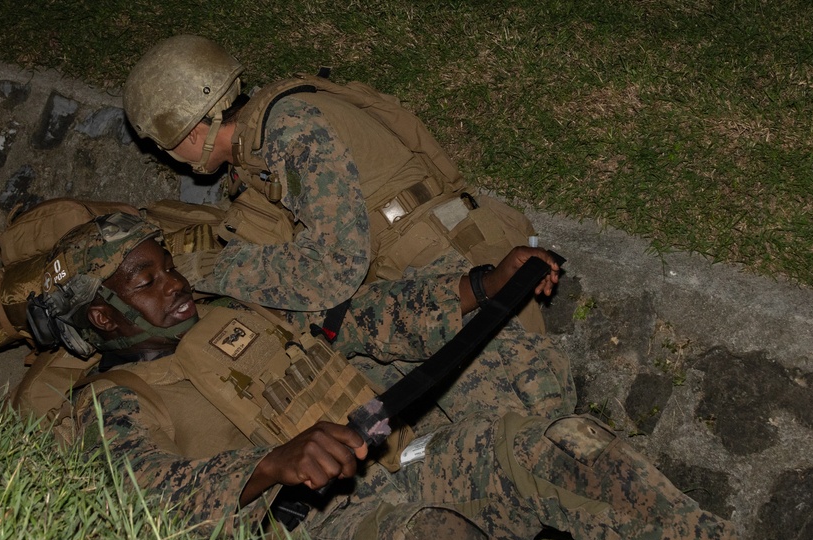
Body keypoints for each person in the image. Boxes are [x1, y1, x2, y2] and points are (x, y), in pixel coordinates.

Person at [34, 213, 813, 540]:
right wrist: (270, 462)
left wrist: (476, 286)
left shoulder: (242, 307)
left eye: (166, 262)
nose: (177, 281)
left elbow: (362, 316)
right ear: (105, 315)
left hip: (406, 460)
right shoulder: (117, 399)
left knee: (560, 444)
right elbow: (140, 501)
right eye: (148, 279)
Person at [123, 34, 545, 335]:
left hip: (457, 270)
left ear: (191, 132)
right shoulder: (260, 137)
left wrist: (208, 270)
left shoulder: (291, 131)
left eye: (162, 145)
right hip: (415, 264)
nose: (165, 155)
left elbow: (333, 271)